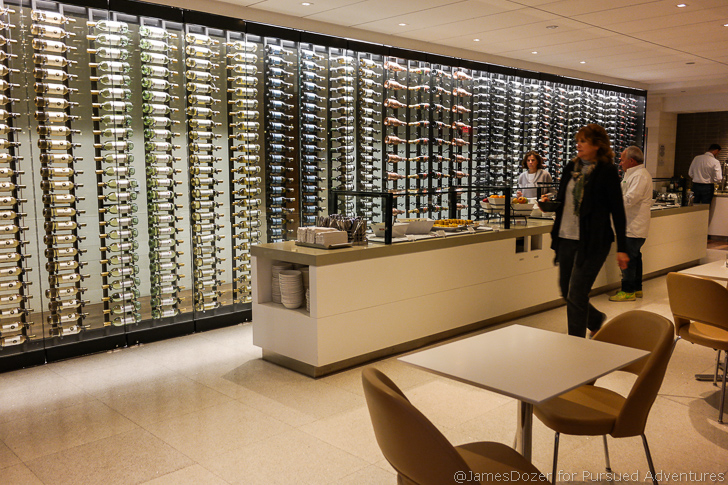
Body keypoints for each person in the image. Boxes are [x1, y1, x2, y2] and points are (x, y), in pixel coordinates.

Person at [546, 124, 628, 338]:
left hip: (593, 241)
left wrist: (623, 248)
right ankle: (595, 319)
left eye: (583, 140)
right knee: (566, 290)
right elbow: (564, 200)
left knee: (576, 293)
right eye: (578, 140)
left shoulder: (606, 171)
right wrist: (550, 204)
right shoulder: (570, 168)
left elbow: (617, 211)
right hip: (566, 238)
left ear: (597, 145)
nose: (578, 144)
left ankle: (575, 344)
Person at [610, 146, 652, 302]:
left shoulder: (640, 176)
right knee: (635, 257)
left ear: (632, 160)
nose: (620, 163)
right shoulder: (632, 174)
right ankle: (637, 288)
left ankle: (628, 290)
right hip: (632, 225)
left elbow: (630, 199)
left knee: (628, 257)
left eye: (622, 159)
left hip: (634, 226)